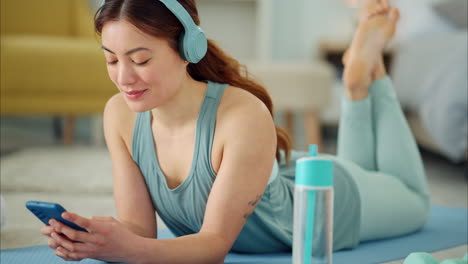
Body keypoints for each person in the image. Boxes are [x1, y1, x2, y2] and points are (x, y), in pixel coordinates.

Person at [40, 0, 430, 263]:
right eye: (111, 60)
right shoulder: (119, 116)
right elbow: (140, 230)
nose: (124, 78)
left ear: (188, 48)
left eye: (140, 59)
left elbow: (213, 247)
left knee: (415, 202)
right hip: (286, 174)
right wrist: (91, 237)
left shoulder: (241, 115)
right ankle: (359, 80)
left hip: (331, 206)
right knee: (376, 169)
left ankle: (361, 77)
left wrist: (129, 251)